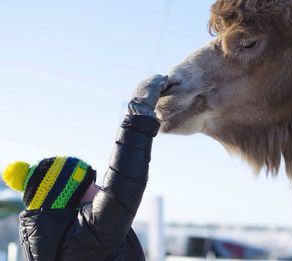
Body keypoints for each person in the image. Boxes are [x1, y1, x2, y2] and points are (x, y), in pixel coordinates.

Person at [1, 75, 169, 261]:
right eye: (90, 185)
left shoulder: (55, 240)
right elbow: (121, 189)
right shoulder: (85, 238)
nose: (99, 190)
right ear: (69, 198)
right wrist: (139, 115)